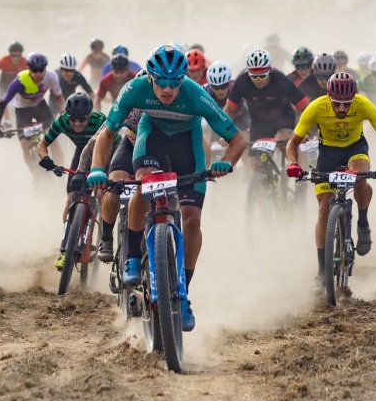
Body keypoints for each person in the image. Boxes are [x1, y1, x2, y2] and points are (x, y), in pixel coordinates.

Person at [87, 44, 248, 332]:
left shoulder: (195, 93)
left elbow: (238, 140)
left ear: (183, 80)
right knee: (143, 185)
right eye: (161, 83)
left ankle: (183, 292)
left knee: (192, 219)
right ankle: (134, 258)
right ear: (150, 78)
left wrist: (226, 162)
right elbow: (106, 134)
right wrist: (98, 169)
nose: (168, 90)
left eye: (174, 84)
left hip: (188, 145)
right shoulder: (135, 89)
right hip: (152, 137)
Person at [285, 72, 376, 263]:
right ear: (329, 96)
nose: (341, 108)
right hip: (328, 153)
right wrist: (293, 164)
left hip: (355, 148)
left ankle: (362, 222)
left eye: (346, 104)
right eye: (336, 103)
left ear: (353, 98)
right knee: (323, 208)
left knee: (359, 174)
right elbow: (292, 143)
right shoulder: (316, 107)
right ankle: (322, 271)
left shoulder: (363, 104)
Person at [36, 92, 106, 269]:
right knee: (70, 198)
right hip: (81, 152)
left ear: (89, 116)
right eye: (72, 119)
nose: (76, 124)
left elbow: (117, 142)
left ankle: (105, 237)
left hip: (104, 153)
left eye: (82, 119)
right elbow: (42, 145)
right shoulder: (61, 121)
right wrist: (46, 159)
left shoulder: (100, 121)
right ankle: (66, 248)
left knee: (101, 195)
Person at [225, 48, 308, 146]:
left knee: (283, 138)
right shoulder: (242, 81)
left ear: (270, 71)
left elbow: (305, 107)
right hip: (258, 122)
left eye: (262, 76)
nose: (258, 80)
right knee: (253, 160)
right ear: (248, 73)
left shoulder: (280, 79)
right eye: (254, 77)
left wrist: (303, 132)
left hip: (283, 118)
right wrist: (225, 134)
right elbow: (228, 110)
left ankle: (295, 161)